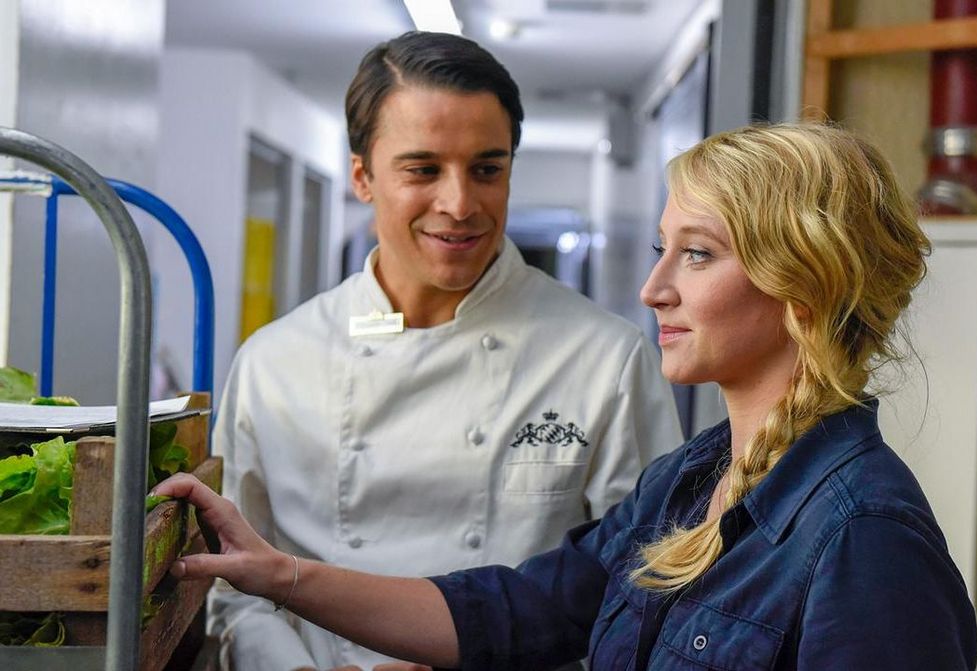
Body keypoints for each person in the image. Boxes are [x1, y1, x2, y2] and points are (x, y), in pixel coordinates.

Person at [160, 122, 977, 670]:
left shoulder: (866, 538)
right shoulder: (689, 481)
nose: (654, 288)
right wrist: (278, 572)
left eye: (697, 254)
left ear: (804, 280)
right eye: (663, 249)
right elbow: (518, 610)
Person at [208, 30, 683, 671]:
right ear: (362, 177)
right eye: (423, 169)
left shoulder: (605, 360)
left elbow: (649, 591)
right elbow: (235, 588)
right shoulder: (275, 363)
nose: (459, 205)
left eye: (487, 169)